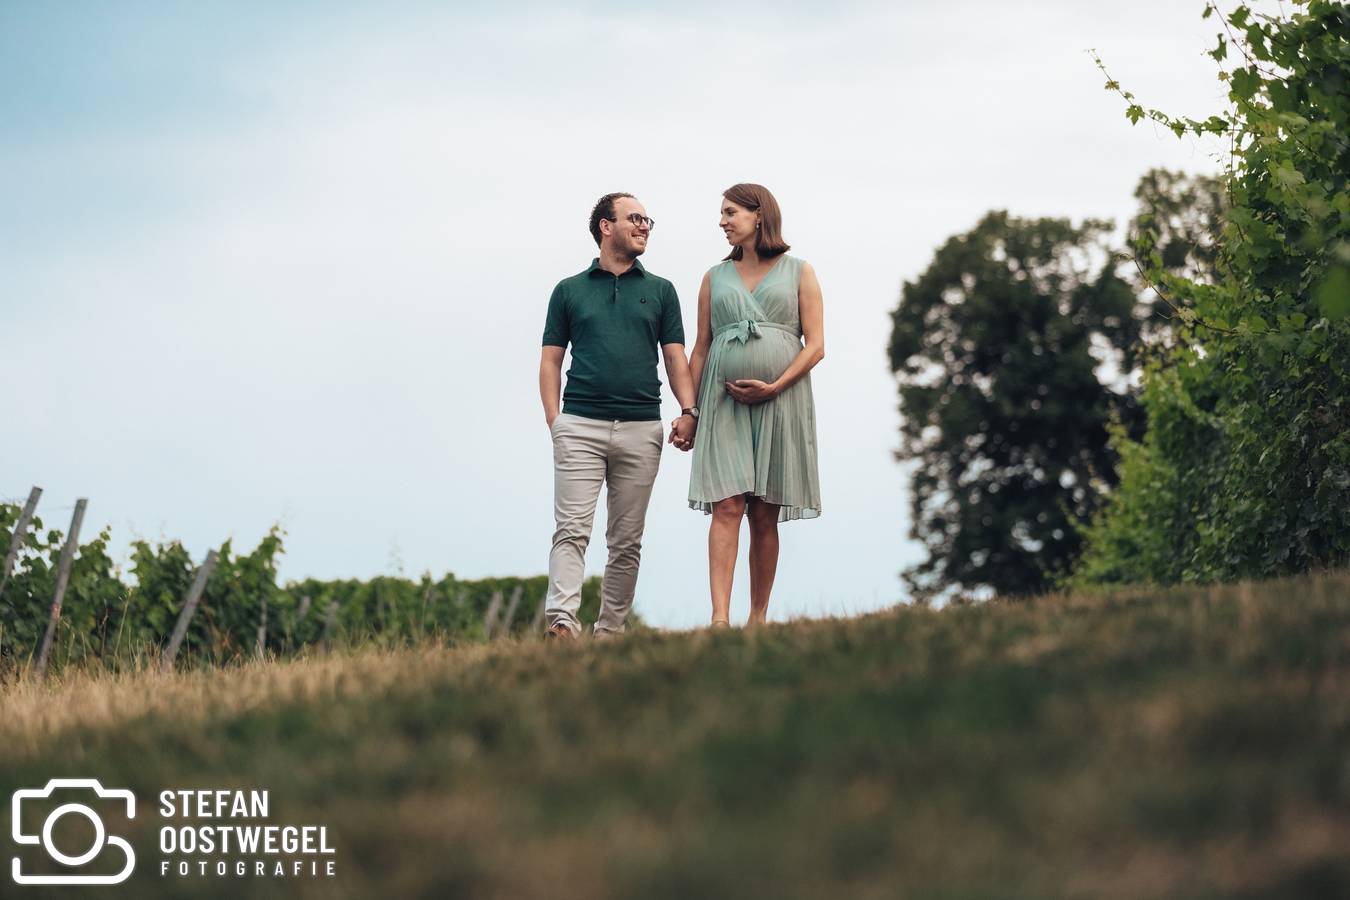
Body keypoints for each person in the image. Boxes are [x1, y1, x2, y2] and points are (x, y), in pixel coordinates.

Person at [540, 192, 698, 640]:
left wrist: (689, 411)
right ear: (606, 226)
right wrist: (556, 421)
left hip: (641, 427)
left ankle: (609, 632)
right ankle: (562, 624)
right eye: (634, 218)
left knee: (625, 542)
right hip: (580, 427)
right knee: (571, 530)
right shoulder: (569, 290)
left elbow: (675, 359)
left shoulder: (661, 291)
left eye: (648, 219)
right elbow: (551, 360)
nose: (644, 225)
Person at [682, 183, 824, 628]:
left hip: (781, 401)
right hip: (722, 403)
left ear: (758, 215)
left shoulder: (800, 271)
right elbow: (700, 349)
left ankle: (757, 617)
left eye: (730, 213)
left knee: (764, 512)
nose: (722, 222)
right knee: (727, 506)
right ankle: (719, 618)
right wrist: (690, 411)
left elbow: (816, 346)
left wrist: (775, 386)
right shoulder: (713, 277)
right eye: (722, 214)